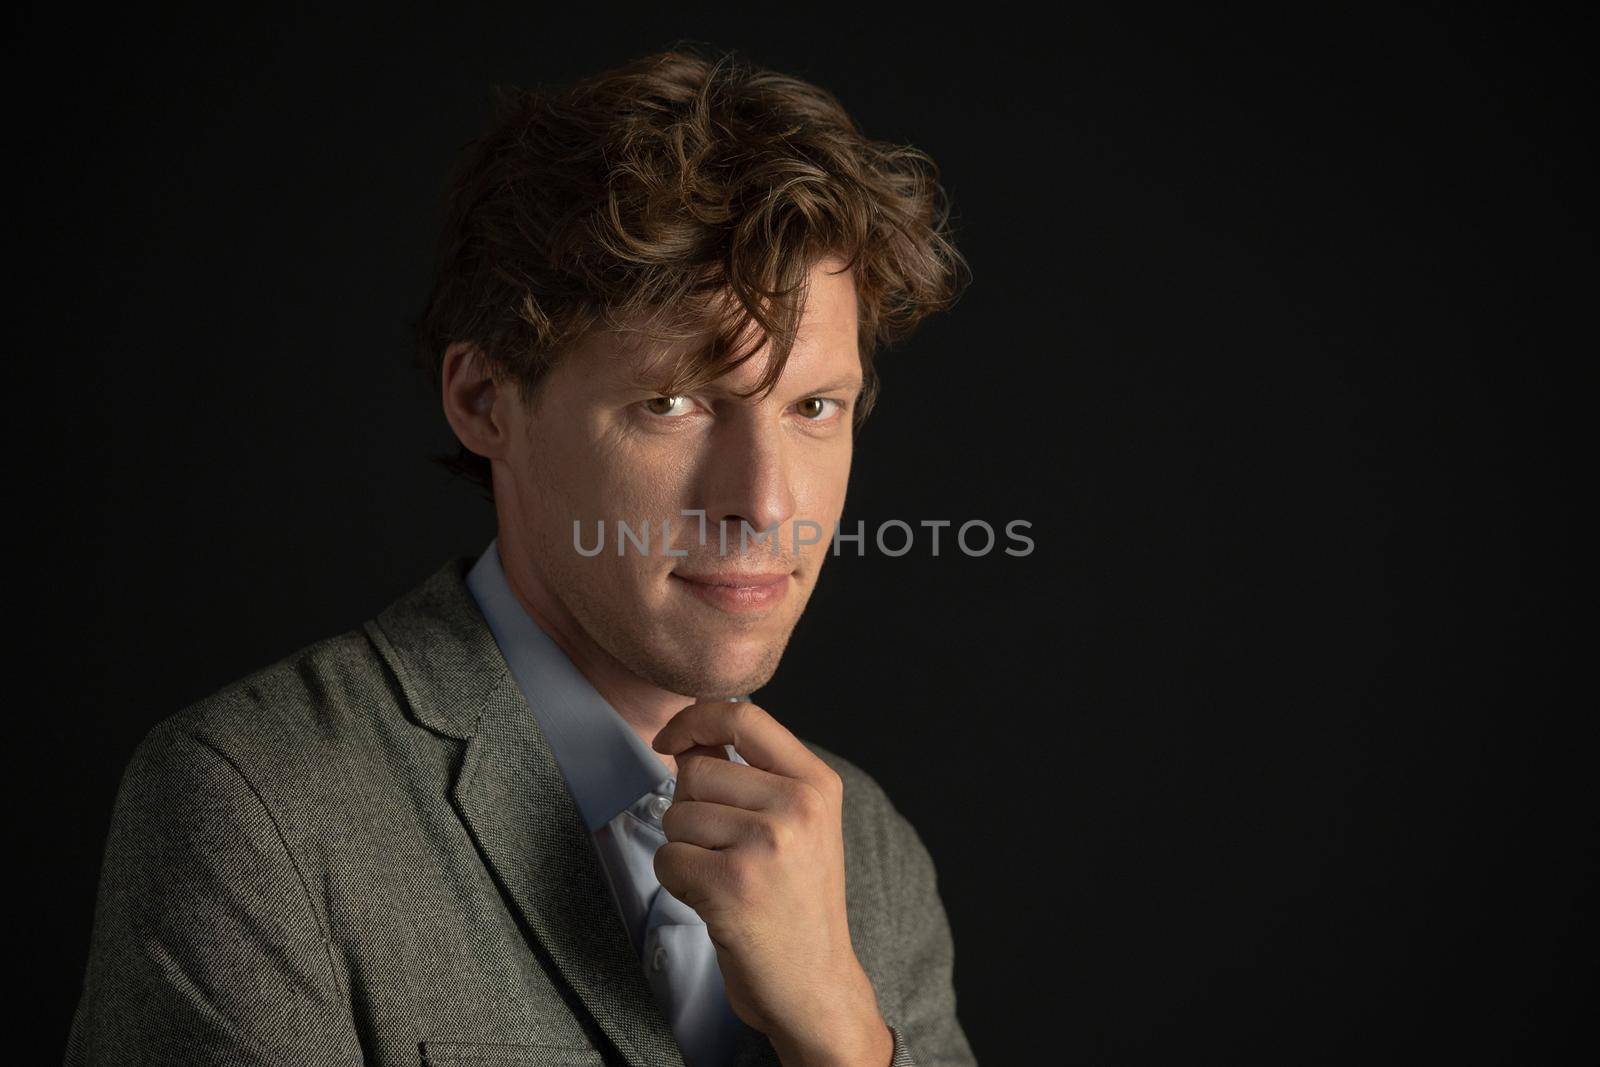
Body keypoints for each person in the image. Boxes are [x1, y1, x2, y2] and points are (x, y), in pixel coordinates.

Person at [66, 44, 975, 1067]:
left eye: (814, 405)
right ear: (484, 400)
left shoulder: (869, 853)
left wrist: (846, 1040)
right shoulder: (259, 805)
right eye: (670, 401)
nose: (763, 505)